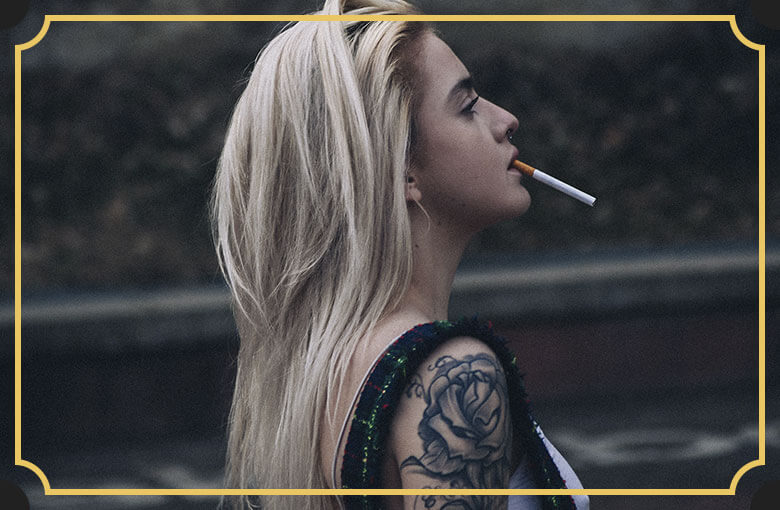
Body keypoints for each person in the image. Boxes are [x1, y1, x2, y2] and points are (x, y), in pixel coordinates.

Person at [210, 1, 589, 509]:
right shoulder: (451, 374)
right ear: (402, 167)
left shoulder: (321, 370)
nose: (506, 120)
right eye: (468, 105)